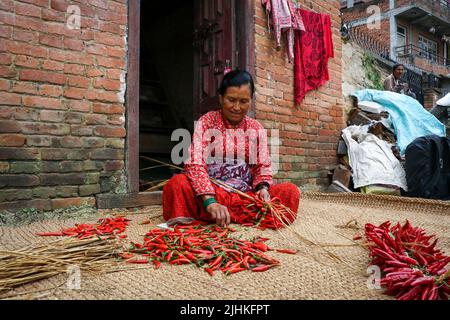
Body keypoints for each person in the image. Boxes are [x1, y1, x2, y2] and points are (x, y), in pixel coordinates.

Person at [162, 69, 300, 227]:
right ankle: (221, 213)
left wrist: (262, 188)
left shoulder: (256, 128)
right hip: (211, 192)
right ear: (221, 98)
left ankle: (219, 216)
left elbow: (262, 166)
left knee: (290, 191)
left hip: (244, 196)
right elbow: (195, 163)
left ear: (251, 100)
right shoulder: (207, 121)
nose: (236, 107)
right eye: (231, 100)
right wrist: (210, 201)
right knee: (177, 183)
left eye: (243, 101)